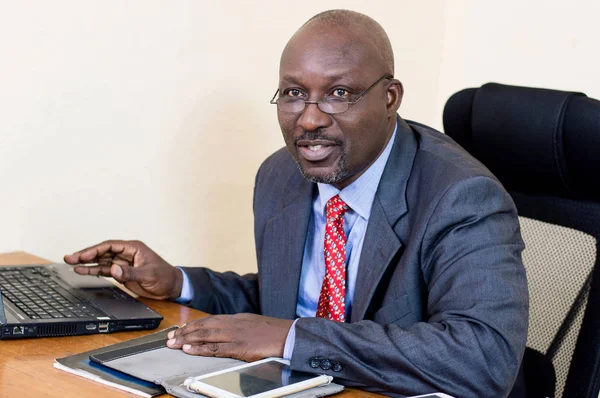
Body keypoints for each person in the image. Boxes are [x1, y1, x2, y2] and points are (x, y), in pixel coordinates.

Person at [64, 9, 528, 398]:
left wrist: (290, 338)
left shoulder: (461, 196)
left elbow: (482, 357)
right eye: (293, 93)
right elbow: (286, 302)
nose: (308, 119)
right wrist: (177, 282)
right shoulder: (281, 175)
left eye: (339, 93)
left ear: (390, 98)